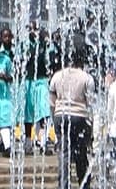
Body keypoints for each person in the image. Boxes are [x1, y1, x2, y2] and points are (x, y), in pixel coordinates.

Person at [49, 50, 93, 187]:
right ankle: (84, 184)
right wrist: (91, 127)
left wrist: (54, 120)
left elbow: (52, 102)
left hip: (61, 116)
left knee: (64, 155)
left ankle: (63, 185)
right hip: (80, 117)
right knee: (81, 154)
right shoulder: (86, 78)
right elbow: (90, 104)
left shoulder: (57, 76)